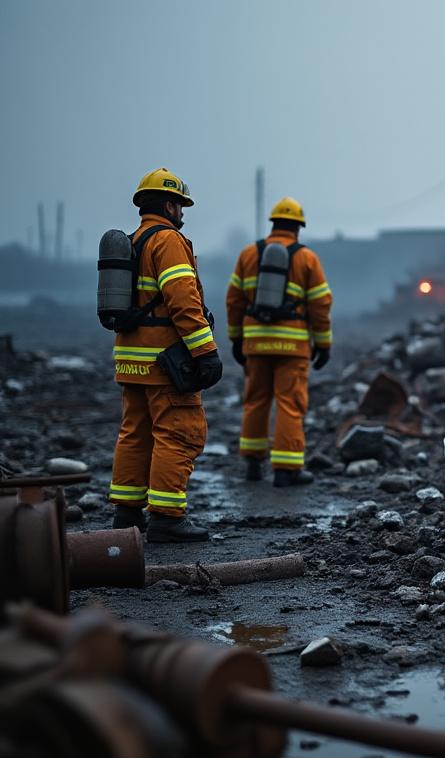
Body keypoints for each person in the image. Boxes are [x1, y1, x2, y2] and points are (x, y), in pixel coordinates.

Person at [109, 168, 222, 543]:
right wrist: (205, 352)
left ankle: (126, 513)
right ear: (170, 205)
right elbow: (183, 302)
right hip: (164, 363)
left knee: (135, 434)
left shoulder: (134, 240)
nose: (183, 214)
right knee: (178, 433)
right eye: (181, 206)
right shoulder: (168, 241)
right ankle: (167, 517)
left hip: (130, 360)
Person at [225, 197, 332, 487]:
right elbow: (320, 303)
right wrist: (323, 343)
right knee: (289, 403)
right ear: (298, 228)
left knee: (255, 400)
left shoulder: (248, 254)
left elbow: (234, 300)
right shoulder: (307, 258)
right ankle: (286, 470)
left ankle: (252, 464)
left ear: (273, 224)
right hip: (293, 346)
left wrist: (236, 338)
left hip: (255, 345)